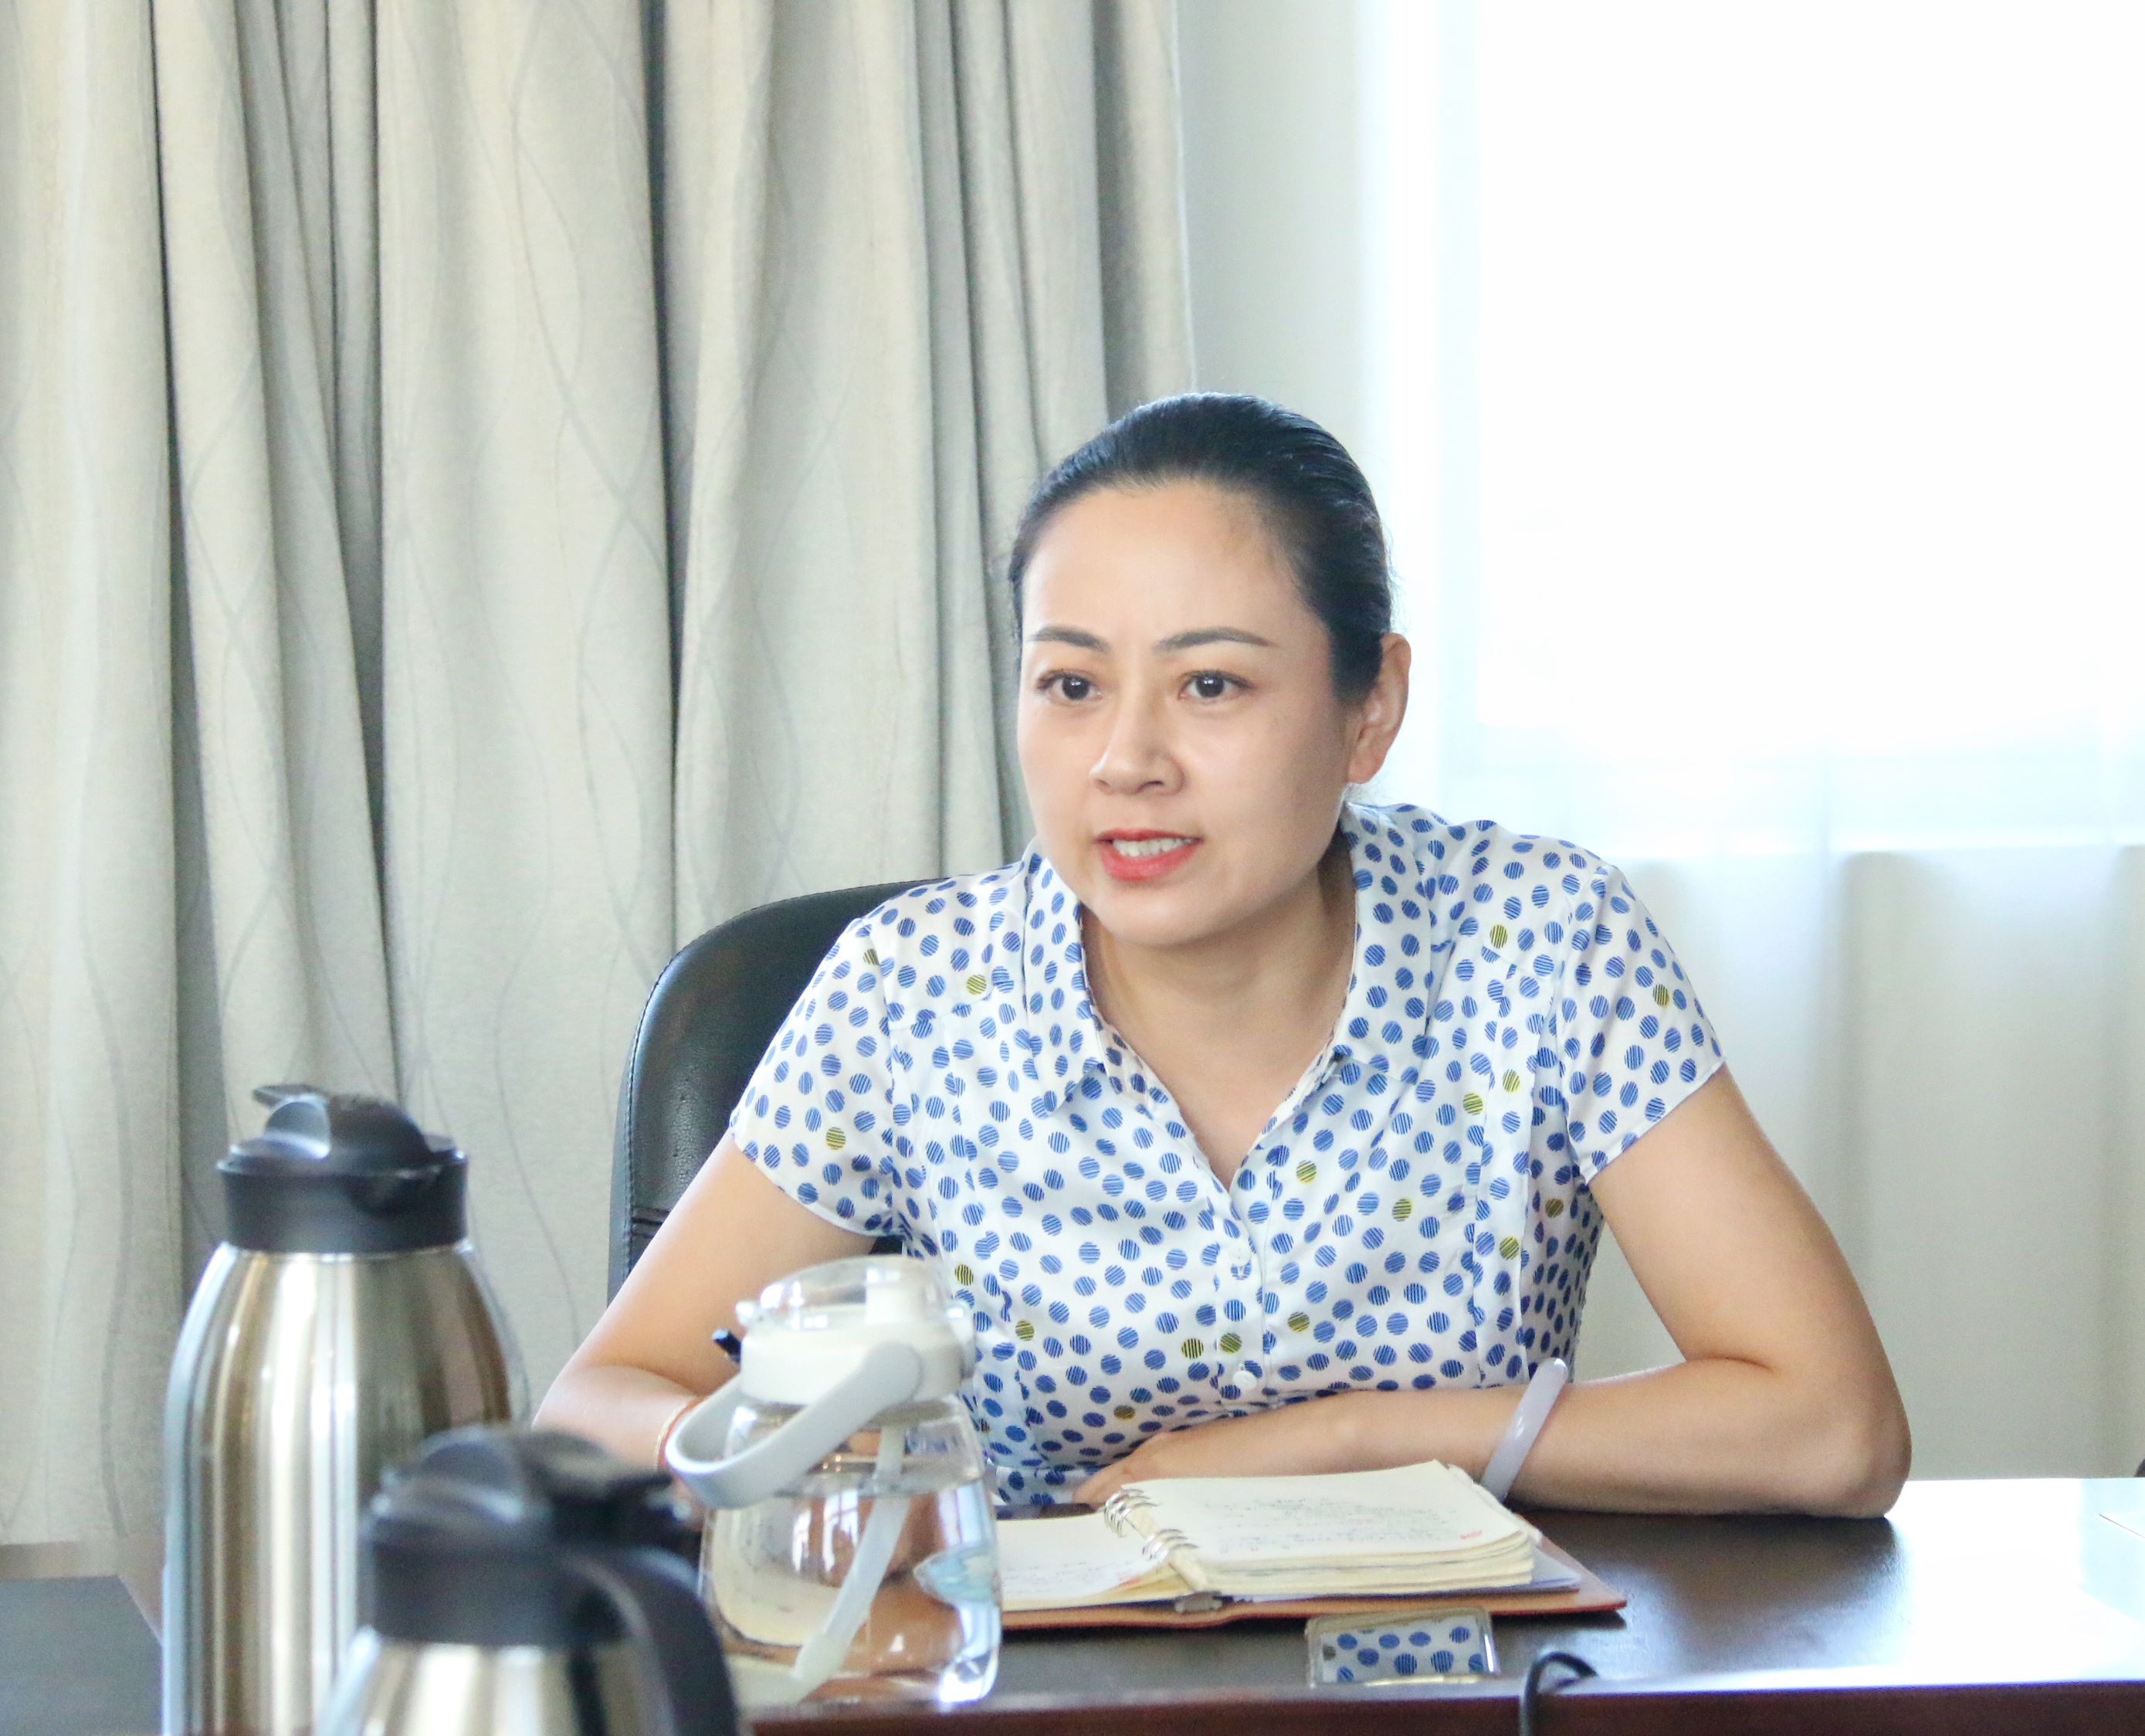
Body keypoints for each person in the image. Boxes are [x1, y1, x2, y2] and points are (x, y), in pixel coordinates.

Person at [537, 393, 1910, 1517]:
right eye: (1071, 685)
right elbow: (596, 1403)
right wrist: (787, 1462)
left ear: (1369, 709)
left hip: (1442, 1684)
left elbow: (1830, 1430)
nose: (1126, 760)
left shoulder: (1540, 937)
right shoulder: (910, 990)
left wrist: (1350, 1439)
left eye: (1210, 684)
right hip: (1049, 1692)